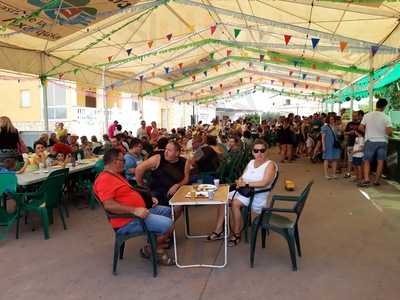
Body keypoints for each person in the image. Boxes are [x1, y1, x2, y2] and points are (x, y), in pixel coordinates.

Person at [93, 149, 174, 265]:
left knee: (167, 211)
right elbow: (108, 205)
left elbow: (128, 193)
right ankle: (154, 249)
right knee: (169, 224)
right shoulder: (105, 179)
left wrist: (148, 200)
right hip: (128, 220)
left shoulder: (115, 175)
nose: (124, 163)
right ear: (115, 161)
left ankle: (153, 244)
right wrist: (135, 210)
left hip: (138, 212)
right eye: (123, 160)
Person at [207, 139, 277, 247]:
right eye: (256, 150)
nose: (259, 153)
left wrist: (246, 184)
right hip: (243, 191)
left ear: (267, 151)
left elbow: (264, 182)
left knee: (235, 203)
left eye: (262, 150)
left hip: (256, 194)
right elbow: (242, 176)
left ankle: (236, 234)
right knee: (222, 199)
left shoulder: (270, 165)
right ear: (252, 152)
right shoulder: (251, 162)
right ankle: (219, 229)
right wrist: (239, 181)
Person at [135, 141, 191, 206]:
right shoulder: (157, 158)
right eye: (166, 149)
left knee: (179, 205)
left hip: (175, 192)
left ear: (177, 153)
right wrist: (141, 185)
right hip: (156, 191)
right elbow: (139, 169)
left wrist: (177, 185)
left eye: (169, 150)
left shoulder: (185, 161)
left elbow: (186, 179)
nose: (166, 152)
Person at [359, 98, 393, 186]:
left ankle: (366, 179)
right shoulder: (386, 117)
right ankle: (376, 181)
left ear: (376, 105)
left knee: (367, 161)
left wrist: (368, 132)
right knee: (380, 161)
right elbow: (389, 132)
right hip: (383, 142)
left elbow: (360, 128)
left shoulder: (367, 115)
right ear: (384, 107)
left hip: (370, 141)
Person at [344, 111, 360, 178]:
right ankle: (348, 172)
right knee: (350, 159)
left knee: (358, 159)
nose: (354, 117)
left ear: (358, 116)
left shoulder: (361, 124)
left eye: (355, 116)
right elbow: (344, 132)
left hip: (358, 145)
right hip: (350, 143)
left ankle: (357, 174)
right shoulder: (349, 123)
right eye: (353, 116)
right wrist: (349, 132)